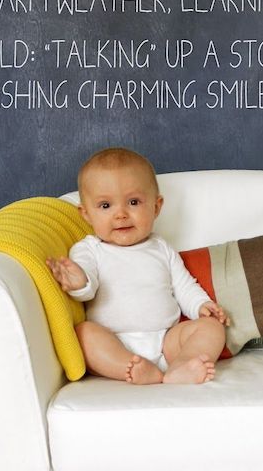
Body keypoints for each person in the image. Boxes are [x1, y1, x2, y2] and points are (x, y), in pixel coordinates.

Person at [47, 148, 228, 385]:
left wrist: (201, 306)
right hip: (114, 341)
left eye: (133, 202)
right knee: (83, 334)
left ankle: (183, 365)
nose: (121, 214)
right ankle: (128, 367)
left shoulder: (161, 248)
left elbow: (184, 285)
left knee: (212, 328)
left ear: (156, 206)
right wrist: (79, 282)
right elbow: (87, 288)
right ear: (86, 214)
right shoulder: (89, 249)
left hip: (166, 341)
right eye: (105, 206)